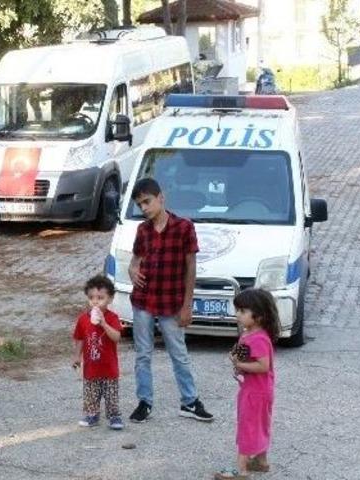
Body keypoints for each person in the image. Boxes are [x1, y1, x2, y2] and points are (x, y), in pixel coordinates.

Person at [127, 178, 214, 423]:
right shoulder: (142, 230)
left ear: (161, 198)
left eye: (147, 201)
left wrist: (187, 305)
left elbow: (191, 269)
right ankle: (144, 402)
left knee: (179, 353)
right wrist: (132, 271)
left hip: (172, 301)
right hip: (143, 300)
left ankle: (189, 401)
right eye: (140, 204)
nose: (144, 208)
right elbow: (135, 261)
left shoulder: (184, 228)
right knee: (143, 354)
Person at [215, 288, 278, 480]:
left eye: (242, 311)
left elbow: (263, 366)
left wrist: (239, 364)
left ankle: (241, 471)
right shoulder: (250, 333)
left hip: (255, 392)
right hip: (258, 390)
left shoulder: (258, 338)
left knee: (247, 427)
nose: (238, 315)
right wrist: (237, 357)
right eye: (238, 310)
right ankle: (260, 460)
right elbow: (244, 352)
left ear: (258, 316)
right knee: (259, 424)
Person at [72, 275, 124, 430]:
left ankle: (114, 416)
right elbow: (80, 338)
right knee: (90, 393)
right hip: (91, 366)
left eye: (100, 298)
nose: (95, 301)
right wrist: (77, 356)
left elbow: (116, 337)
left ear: (110, 299)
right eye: (91, 298)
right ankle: (92, 414)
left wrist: (104, 323)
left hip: (109, 367)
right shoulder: (83, 319)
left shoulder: (112, 318)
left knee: (111, 394)